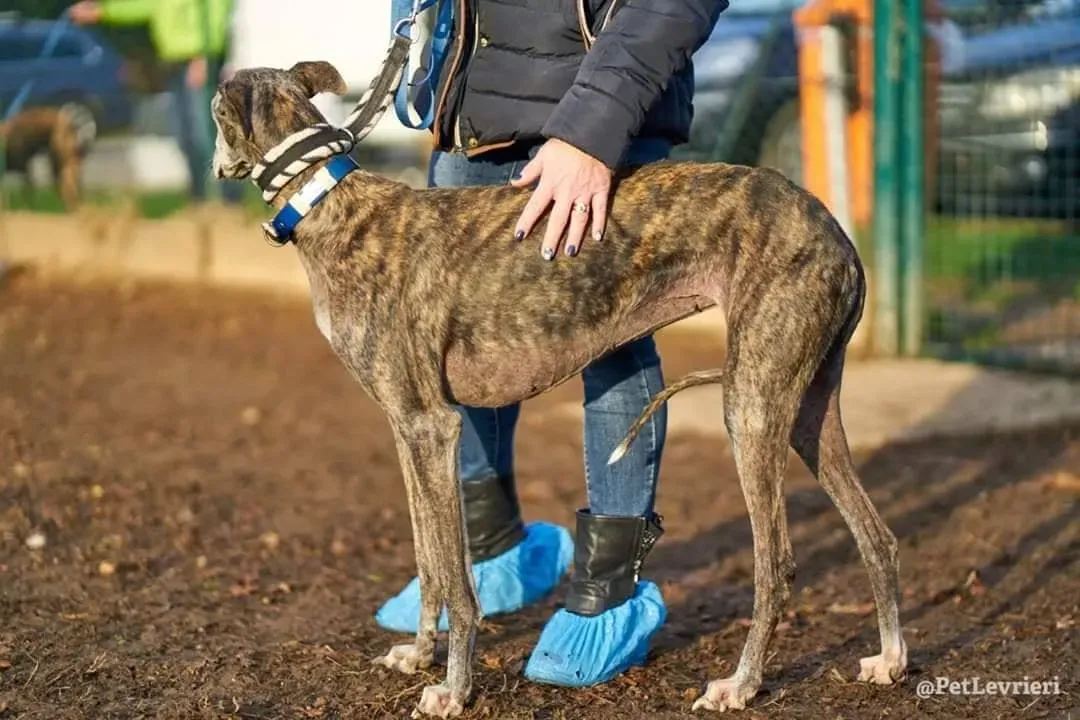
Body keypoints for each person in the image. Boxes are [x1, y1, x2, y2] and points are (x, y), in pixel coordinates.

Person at [374, 0, 729, 687]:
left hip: (599, 117)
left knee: (614, 345)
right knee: (451, 335)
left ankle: (607, 596)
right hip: (473, 110)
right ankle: (491, 552)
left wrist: (594, 131)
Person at [68, 0, 243, 205]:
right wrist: (100, 12)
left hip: (198, 62)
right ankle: (199, 199)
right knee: (184, 137)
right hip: (173, 63)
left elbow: (217, 12)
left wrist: (205, 56)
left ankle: (231, 201)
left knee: (206, 135)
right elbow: (143, 5)